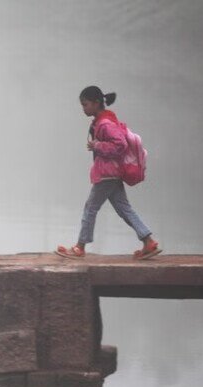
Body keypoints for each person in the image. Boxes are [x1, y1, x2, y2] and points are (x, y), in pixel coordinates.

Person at [56, 86, 161, 260]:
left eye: (86, 104)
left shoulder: (105, 124)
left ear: (97, 103)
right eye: (82, 105)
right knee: (124, 208)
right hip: (112, 173)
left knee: (90, 208)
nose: (84, 108)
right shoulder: (102, 121)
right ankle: (148, 241)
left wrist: (97, 146)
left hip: (107, 174)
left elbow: (120, 145)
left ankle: (80, 247)